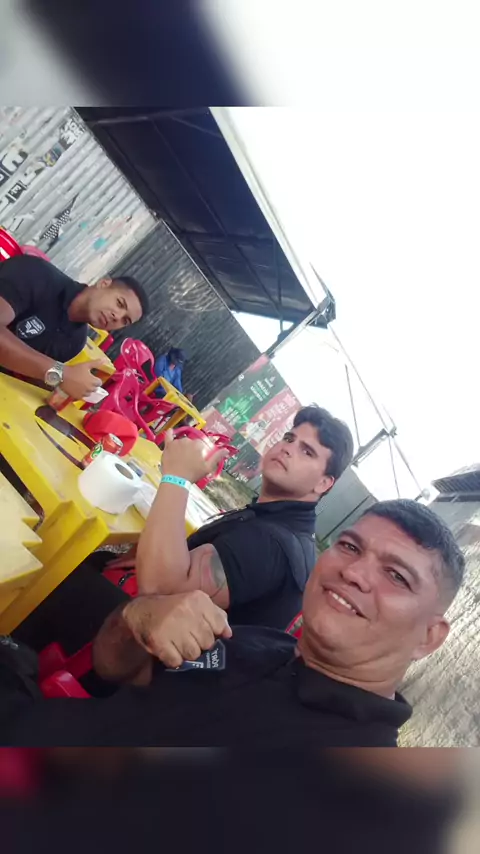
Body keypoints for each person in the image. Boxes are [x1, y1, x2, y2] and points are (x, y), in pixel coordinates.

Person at [0, 499, 465, 747]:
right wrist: (135, 618)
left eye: (397, 576)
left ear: (430, 636)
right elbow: (116, 670)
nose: (356, 572)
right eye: (349, 546)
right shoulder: (254, 644)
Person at [109, 405, 355, 629]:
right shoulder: (278, 523)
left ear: (324, 483)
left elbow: (157, 592)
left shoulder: (271, 544)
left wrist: (177, 477)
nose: (288, 448)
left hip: (146, 648)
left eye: (307, 452)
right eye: (289, 438)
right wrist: (157, 554)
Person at [0, 254, 149, 400]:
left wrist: (65, 388)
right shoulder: (35, 274)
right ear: (103, 284)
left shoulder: (75, 341)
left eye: (125, 320)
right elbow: (52, 370)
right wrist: (62, 373)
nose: (117, 316)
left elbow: (31, 371)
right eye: (119, 303)